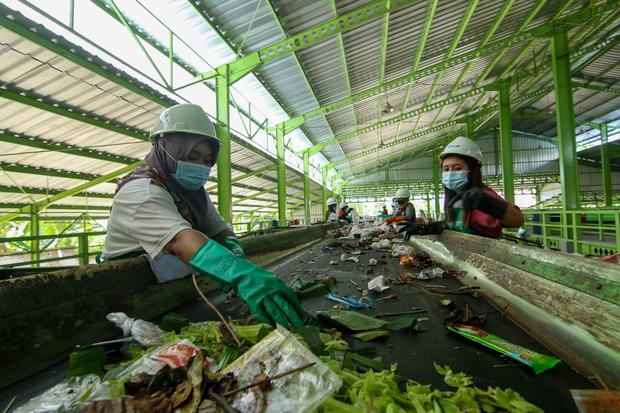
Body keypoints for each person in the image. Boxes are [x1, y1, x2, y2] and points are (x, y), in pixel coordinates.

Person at [101, 103, 304, 327]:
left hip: (172, 287)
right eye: (192, 156)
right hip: (129, 298)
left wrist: (234, 251)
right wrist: (240, 274)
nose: (200, 166)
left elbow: (218, 228)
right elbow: (180, 240)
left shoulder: (193, 192)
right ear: (165, 147)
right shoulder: (142, 191)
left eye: (207, 161)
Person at [399, 136, 523, 239]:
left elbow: (517, 220)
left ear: (472, 170)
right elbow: (450, 224)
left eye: (458, 168)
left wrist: (487, 203)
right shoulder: (455, 199)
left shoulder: (481, 196)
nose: (451, 173)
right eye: (446, 169)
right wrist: (427, 228)